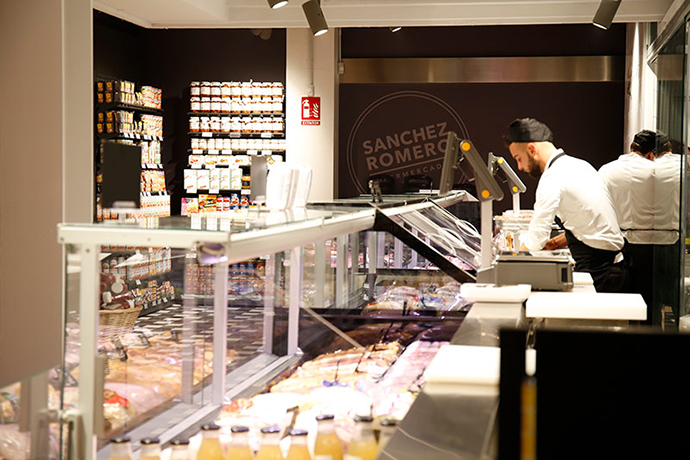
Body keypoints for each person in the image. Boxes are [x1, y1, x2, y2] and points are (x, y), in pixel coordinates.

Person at [503, 117, 628, 292]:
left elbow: (537, 235)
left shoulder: (552, 177)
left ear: (531, 149)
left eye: (518, 158)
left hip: (600, 272)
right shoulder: (579, 165)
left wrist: (509, 266)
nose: (520, 167)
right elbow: (588, 221)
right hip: (614, 266)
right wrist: (554, 244)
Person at [598, 130, 657, 322]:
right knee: (646, 302)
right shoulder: (654, 171)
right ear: (651, 154)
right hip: (648, 244)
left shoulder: (606, 170)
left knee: (620, 304)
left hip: (615, 243)